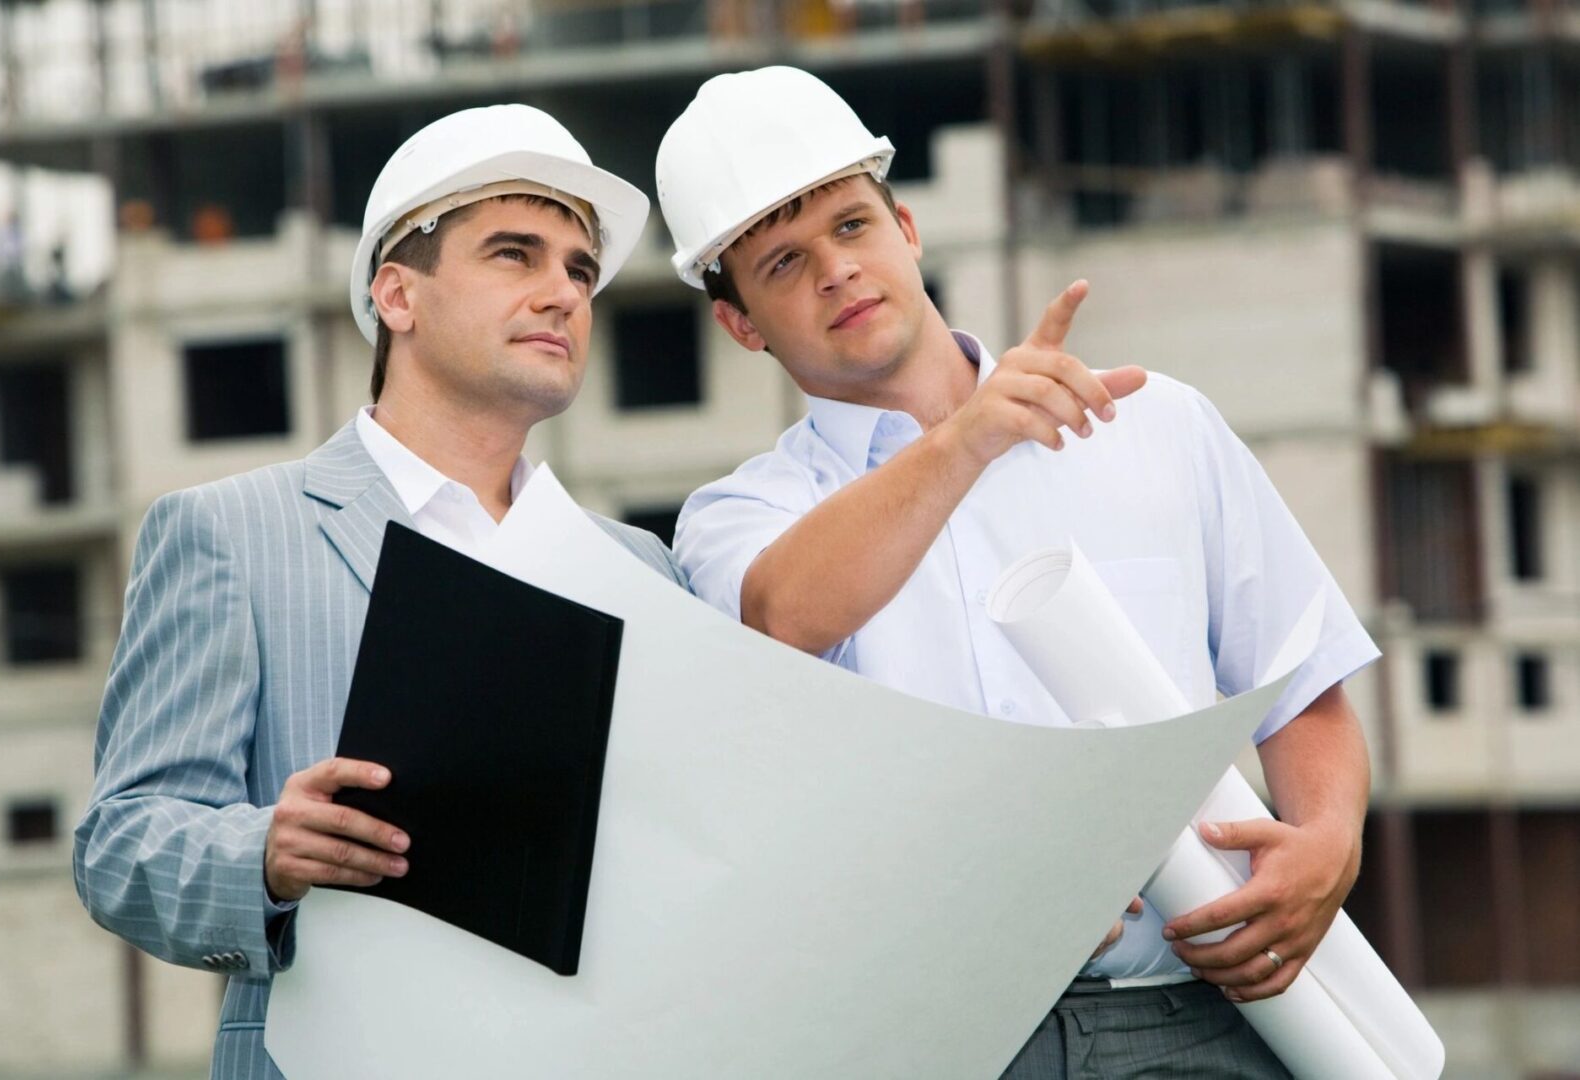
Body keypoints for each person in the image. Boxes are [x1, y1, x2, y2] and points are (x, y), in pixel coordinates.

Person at [658, 66, 1376, 1078]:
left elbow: (1304, 686)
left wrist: (1329, 840)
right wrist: (964, 440)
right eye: (783, 262)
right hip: (940, 1039)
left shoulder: (1154, 427)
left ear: (907, 230)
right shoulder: (740, 518)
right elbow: (784, 615)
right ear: (740, 324)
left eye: (853, 227)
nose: (835, 271)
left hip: (1205, 1021)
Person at [73, 104, 684, 1079]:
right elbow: (121, 845)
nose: (563, 292)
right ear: (398, 294)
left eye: (580, 269)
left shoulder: (639, 572)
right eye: (515, 254)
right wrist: (265, 852)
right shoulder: (231, 534)